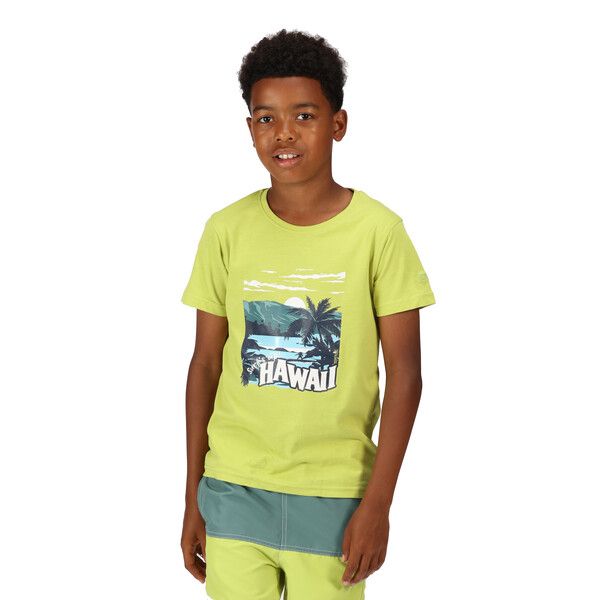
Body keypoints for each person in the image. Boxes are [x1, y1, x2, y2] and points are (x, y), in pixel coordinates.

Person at [180, 28, 436, 599]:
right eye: (265, 118)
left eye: (304, 115)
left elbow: (407, 375)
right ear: (250, 128)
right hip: (233, 488)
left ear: (337, 124)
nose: (284, 133)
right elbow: (205, 365)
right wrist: (194, 494)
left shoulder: (379, 233)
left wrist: (378, 505)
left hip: (334, 496)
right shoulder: (225, 230)